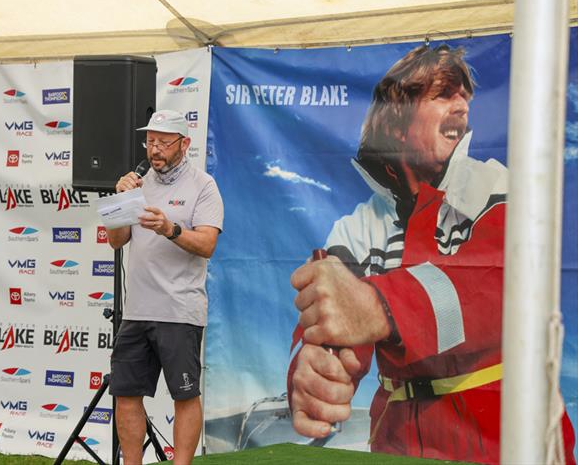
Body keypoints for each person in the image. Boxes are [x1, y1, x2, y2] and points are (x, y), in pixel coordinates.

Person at [286, 44, 576, 464]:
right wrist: (314, 368)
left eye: (463, 96)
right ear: (398, 122)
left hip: (505, 438)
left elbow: (502, 288)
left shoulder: (500, 186)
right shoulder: (355, 228)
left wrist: (377, 306)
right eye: (443, 95)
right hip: (397, 443)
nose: (462, 106)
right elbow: (330, 323)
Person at [108, 109, 224, 465]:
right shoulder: (138, 183)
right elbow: (116, 241)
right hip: (137, 311)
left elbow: (207, 244)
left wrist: (169, 229)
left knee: (184, 396)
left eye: (163, 142)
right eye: (150, 141)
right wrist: (119, 201)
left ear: (184, 144)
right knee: (126, 394)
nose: (154, 149)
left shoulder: (203, 186)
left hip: (179, 311)